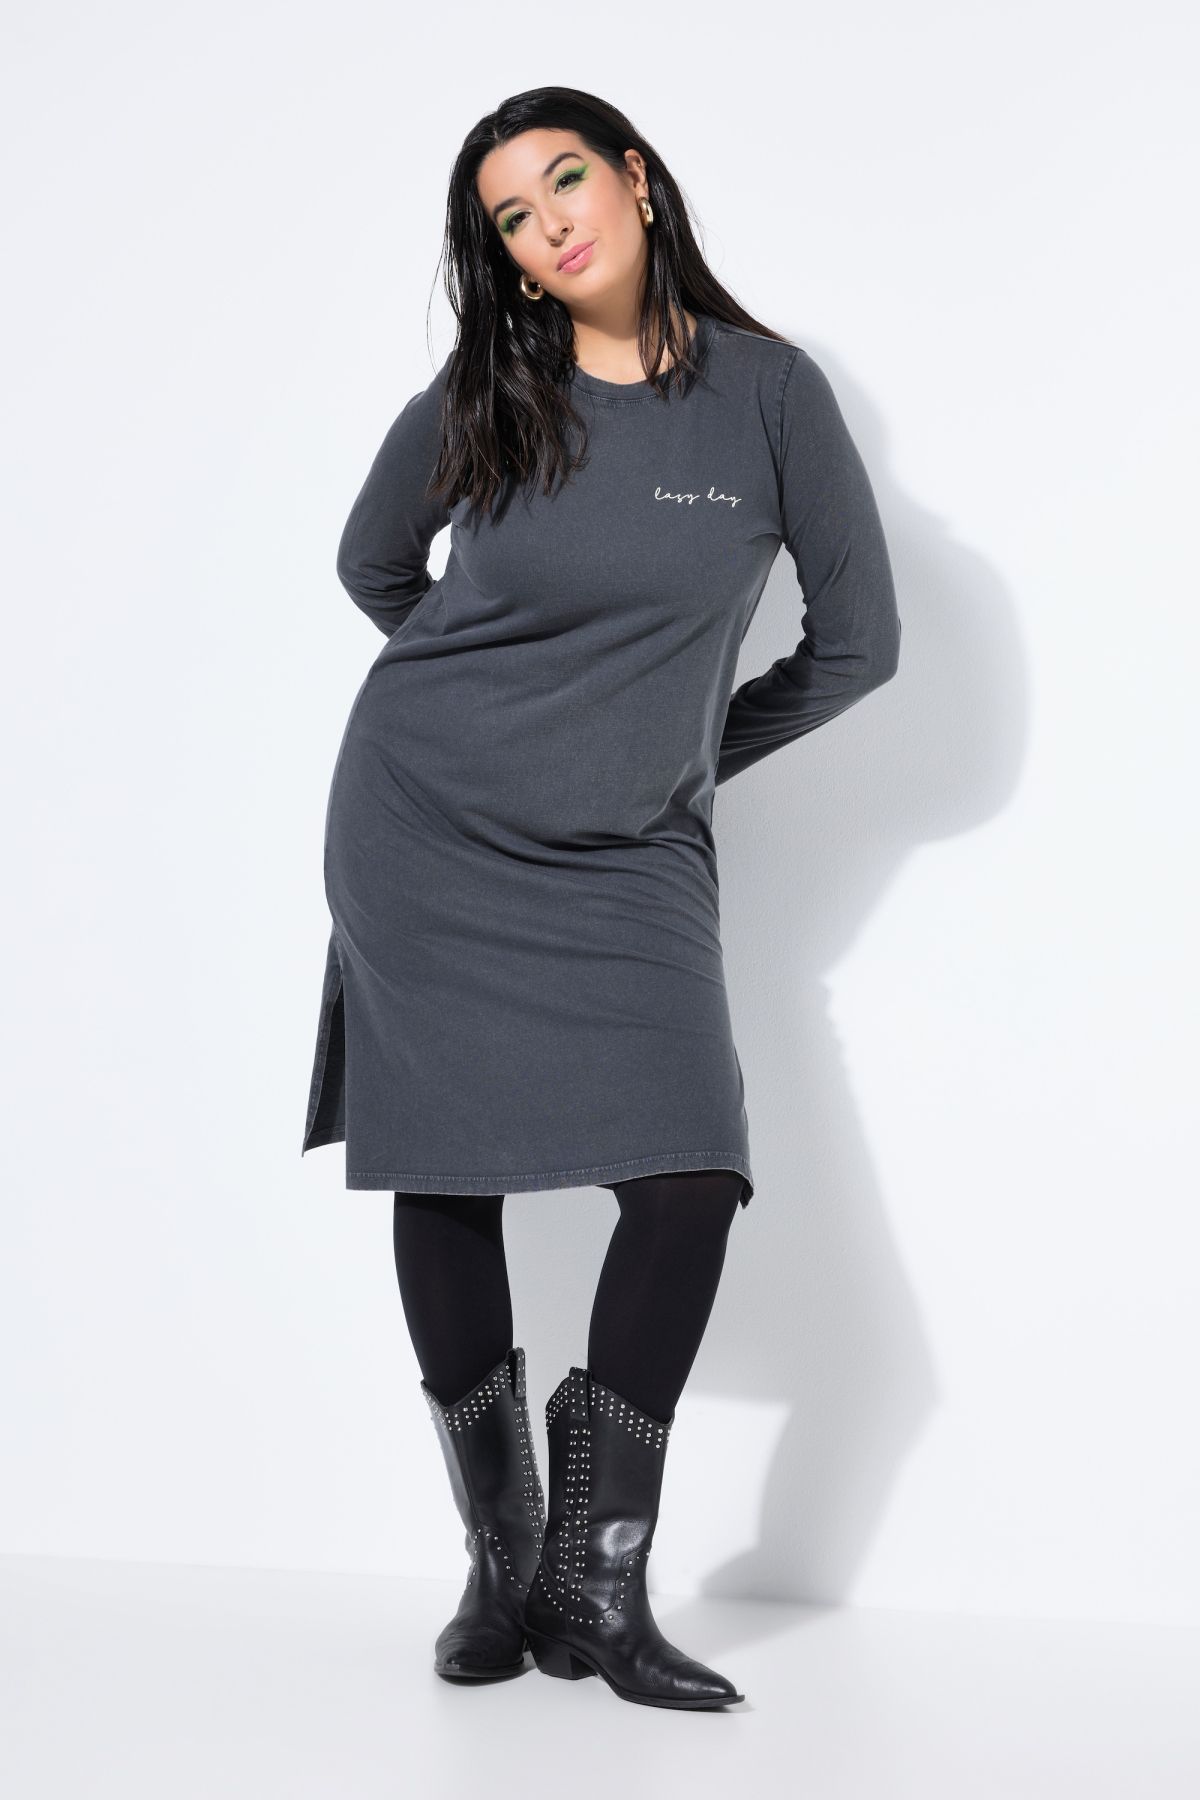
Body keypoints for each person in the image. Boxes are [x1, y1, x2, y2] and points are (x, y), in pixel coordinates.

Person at [301, 85, 901, 1711]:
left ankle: (595, 1582)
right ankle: (503, 1567)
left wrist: (674, 751)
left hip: (632, 853)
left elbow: (860, 648)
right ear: (502, 252)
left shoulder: (771, 397)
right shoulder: (484, 395)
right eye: (512, 214)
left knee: (690, 1178)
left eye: (566, 179)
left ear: (635, 178)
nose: (549, 222)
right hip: (426, 828)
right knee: (448, 1175)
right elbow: (373, 569)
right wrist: (506, 715)